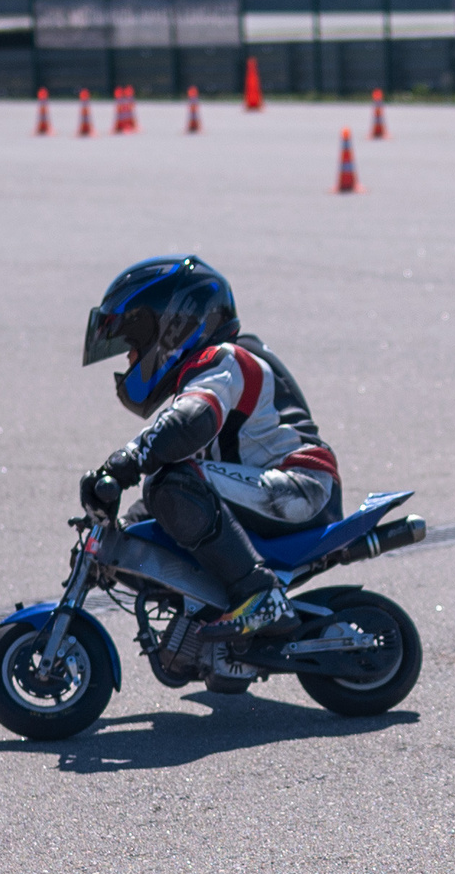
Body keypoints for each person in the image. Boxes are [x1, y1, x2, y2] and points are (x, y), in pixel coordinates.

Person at [80, 255, 340, 636]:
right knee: (143, 525)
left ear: (172, 330)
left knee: (169, 483)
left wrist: (124, 463)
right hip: (263, 490)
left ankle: (260, 596)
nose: (130, 358)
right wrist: (115, 536)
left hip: (302, 488)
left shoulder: (222, 360)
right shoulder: (201, 377)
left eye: (133, 345)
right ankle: (204, 628)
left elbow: (190, 421)